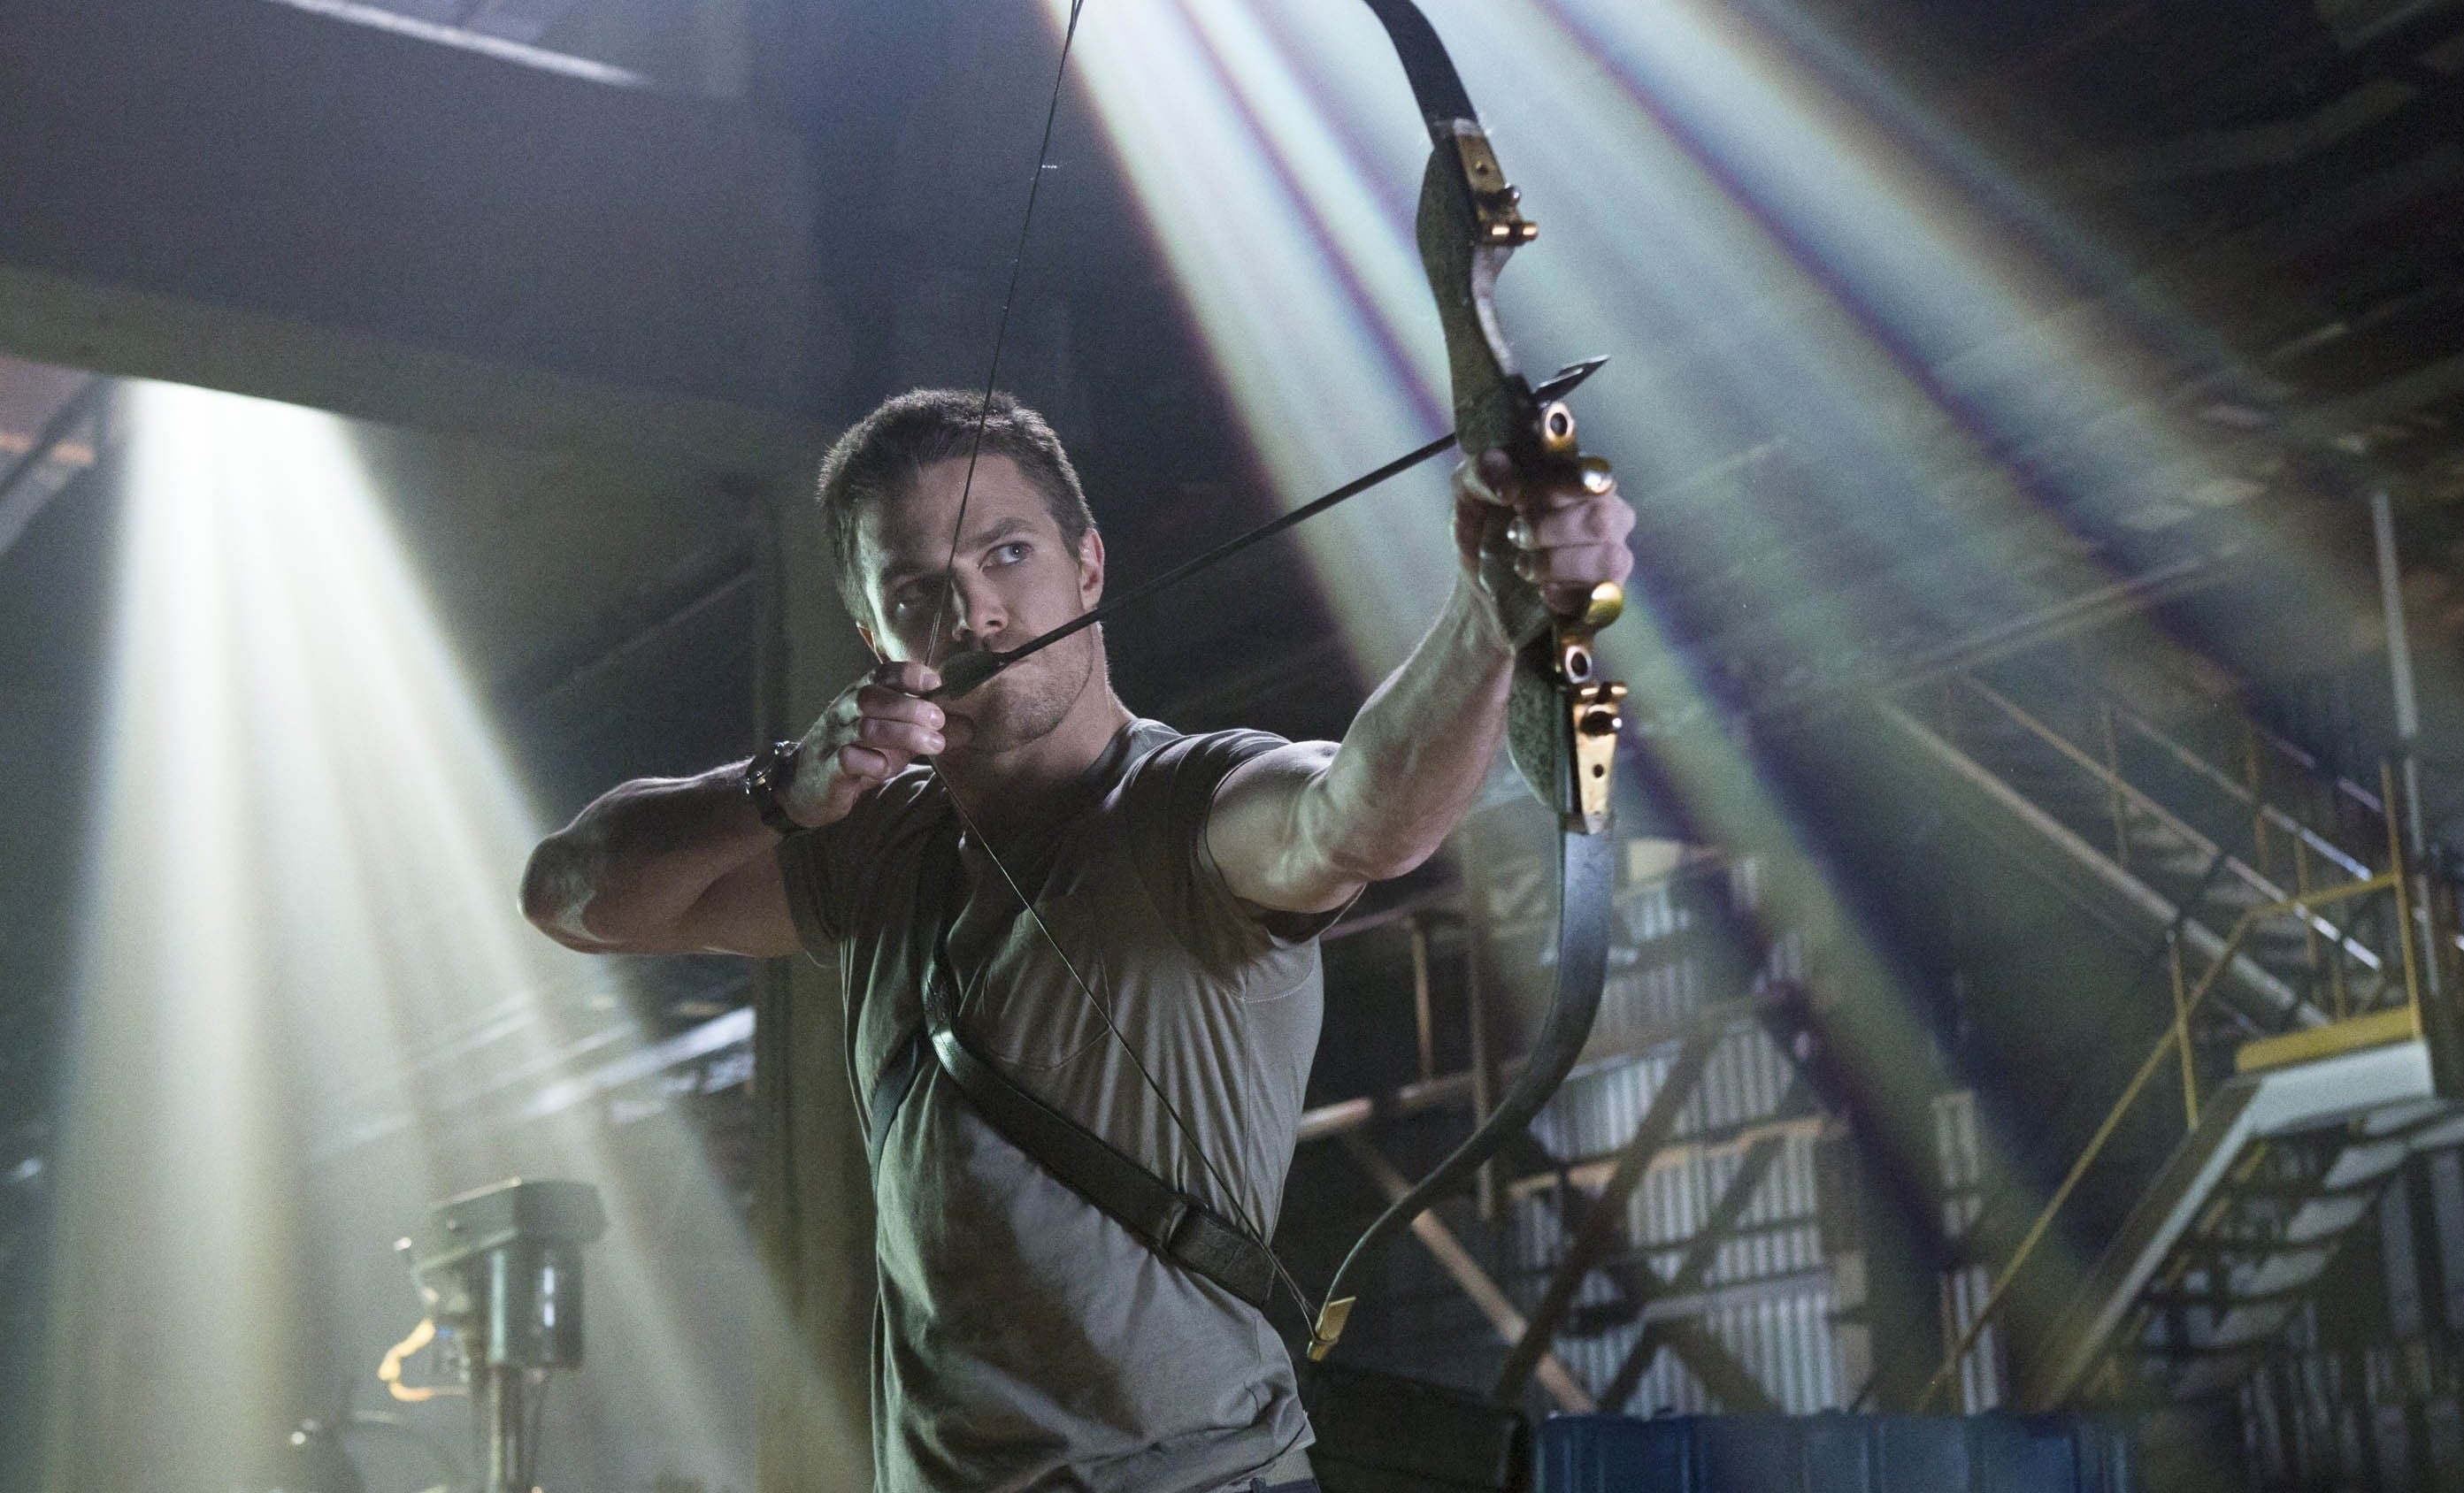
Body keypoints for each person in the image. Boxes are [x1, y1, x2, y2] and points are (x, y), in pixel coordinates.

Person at [519, 388, 1634, 1493]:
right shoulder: (876, 846)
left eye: (1008, 554)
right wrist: (779, 788)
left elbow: (1353, 815)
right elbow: (572, 896)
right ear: (873, 636)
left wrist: (1490, 613)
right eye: (918, 591)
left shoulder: (1187, 807)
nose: (976, 614)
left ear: (1087, 566)